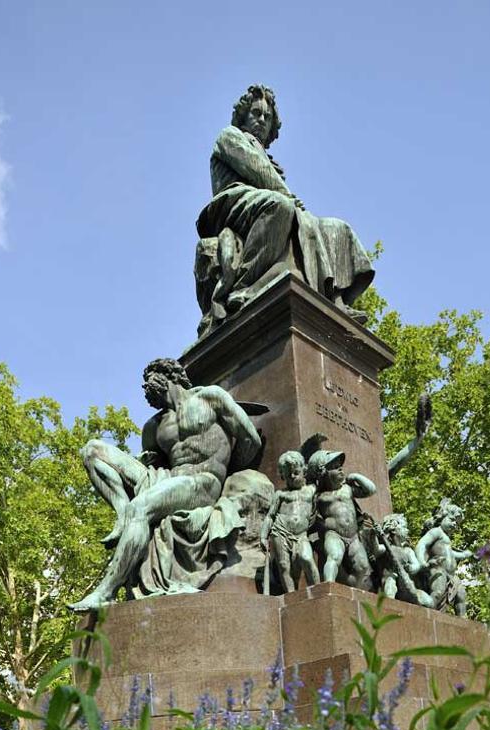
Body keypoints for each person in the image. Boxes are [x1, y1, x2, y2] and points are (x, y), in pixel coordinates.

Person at [68, 359, 261, 611]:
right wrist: (148, 461)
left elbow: (251, 439)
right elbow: (153, 458)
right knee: (92, 450)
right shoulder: (153, 426)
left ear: (168, 375)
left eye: (150, 377)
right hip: (166, 478)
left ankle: (106, 592)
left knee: (141, 508)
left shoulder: (210, 398)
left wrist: (228, 473)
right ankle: (122, 512)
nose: (145, 386)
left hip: (202, 482)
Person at [196, 84, 375, 324]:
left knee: (336, 227)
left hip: (267, 200)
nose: (261, 119)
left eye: (267, 117)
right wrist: (288, 195)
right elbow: (258, 171)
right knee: (280, 206)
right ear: (243, 115)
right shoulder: (230, 136)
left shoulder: (269, 158)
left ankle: (335, 298)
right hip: (232, 204)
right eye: (256, 113)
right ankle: (243, 285)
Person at [308, 449, 376, 590]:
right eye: (334, 466)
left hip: (353, 537)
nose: (340, 468)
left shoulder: (347, 489)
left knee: (363, 567)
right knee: (334, 557)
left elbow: (371, 490)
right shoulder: (319, 496)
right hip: (334, 534)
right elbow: (309, 516)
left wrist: (356, 476)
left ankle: (350, 588)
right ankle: (329, 587)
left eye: (340, 465)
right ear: (323, 473)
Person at [260, 450, 320, 593]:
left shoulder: (312, 490)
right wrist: (263, 535)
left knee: (306, 558)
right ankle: (291, 595)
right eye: (288, 475)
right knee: (284, 565)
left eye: (295, 472)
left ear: (304, 470)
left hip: (301, 535)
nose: (292, 477)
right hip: (280, 532)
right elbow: (270, 516)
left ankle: (319, 593)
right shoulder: (280, 494)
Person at [415, 499, 473, 616]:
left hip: (451, 575)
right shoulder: (436, 532)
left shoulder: (447, 539)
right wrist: (421, 562)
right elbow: (422, 544)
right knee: (438, 592)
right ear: (442, 517)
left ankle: (463, 620)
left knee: (461, 595)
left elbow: (451, 553)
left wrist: (463, 555)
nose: (454, 524)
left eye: (456, 523)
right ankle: (427, 614)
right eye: (452, 520)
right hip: (437, 570)